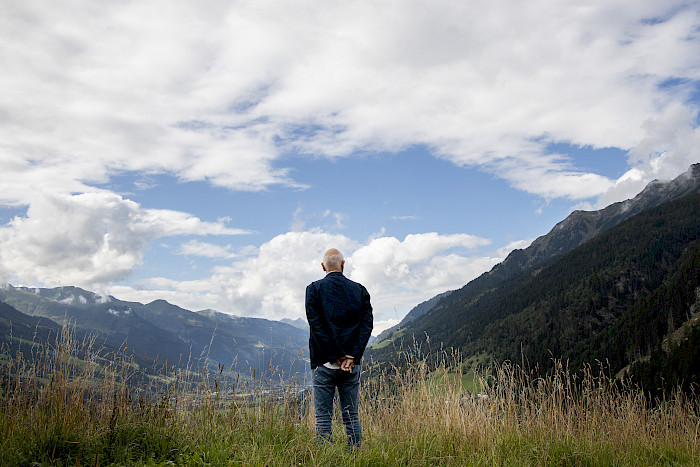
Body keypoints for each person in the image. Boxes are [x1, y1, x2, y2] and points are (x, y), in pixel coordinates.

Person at [305, 248, 373, 448]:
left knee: (323, 418)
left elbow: (316, 326)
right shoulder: (360, 290)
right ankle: (354, 459)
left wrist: (335, 357)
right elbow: (366, 325)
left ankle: (326, 460)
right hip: (351, 366)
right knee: (351, 416)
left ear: (323, 266)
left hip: (324, 364)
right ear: (343, 265)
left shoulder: (314, 289)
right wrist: (352, 356)